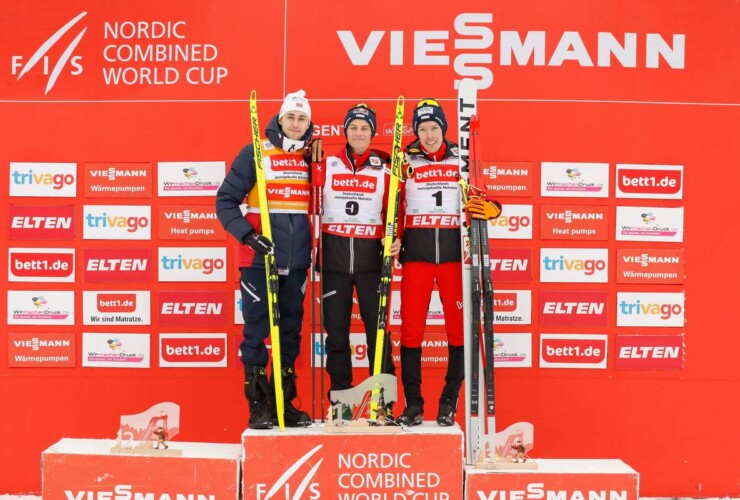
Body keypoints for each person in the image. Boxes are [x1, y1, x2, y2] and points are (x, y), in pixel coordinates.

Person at [391, 98, 501, 427]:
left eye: (434, 128)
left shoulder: (461, 159)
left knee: (458, 330)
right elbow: (394, 203)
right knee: (410, 332)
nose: (428, 135)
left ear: (444, 129)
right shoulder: (405, 160)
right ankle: (413, 404)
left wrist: (494, 208)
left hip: (455, 257)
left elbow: (483, 195)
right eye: (422, 129)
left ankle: (449, 401)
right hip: (417, 258)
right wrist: (394, 236)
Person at [216, 90, 316, 429]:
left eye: (302, 119)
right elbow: (225, 201)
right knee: (257, 331)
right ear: (280, 119)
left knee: (289, 333)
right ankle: (258, 407)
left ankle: (283, 404)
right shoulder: (256, 152)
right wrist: (248, 235)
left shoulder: (310, 157)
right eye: (291, 117)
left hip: (298, 259)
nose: (296, 124)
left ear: (309, 124)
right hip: (259, 258)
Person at [320, 103, 396, 418]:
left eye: (365, 128)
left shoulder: (385, 167)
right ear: (345, 131)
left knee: (377, 333)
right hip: (334, 263)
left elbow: (398, 207)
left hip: (371, 263)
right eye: (353, 127)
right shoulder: (328, 165)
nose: (359, 133)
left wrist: (396, 237)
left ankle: (384, 404)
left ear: (372, 133)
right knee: (336, 334)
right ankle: (341, 405)